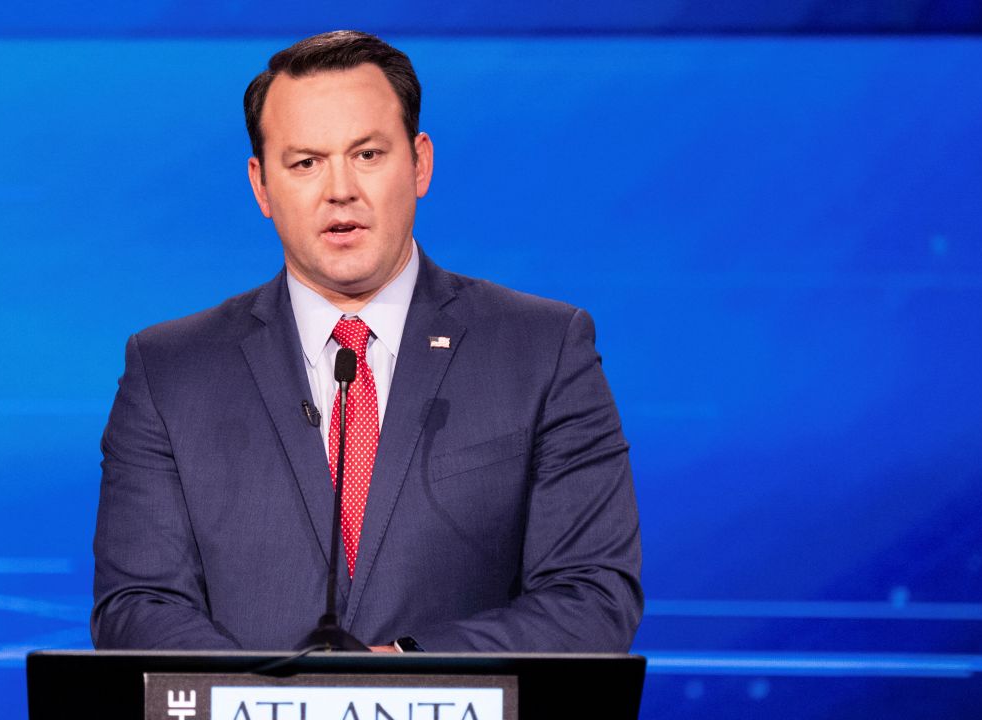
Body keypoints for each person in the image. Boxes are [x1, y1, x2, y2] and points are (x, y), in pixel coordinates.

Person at [91, 30, 642, 653]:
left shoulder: (544, 350)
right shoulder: (169, 371)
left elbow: (591, 598)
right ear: (261, 186)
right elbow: (136, 606)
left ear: (420, 163)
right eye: (305, 163)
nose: (340, 190)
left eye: (368, 154)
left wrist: (406, 673)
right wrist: (282, 699)